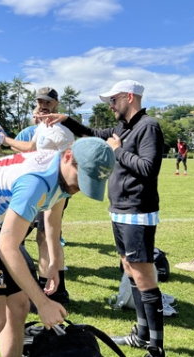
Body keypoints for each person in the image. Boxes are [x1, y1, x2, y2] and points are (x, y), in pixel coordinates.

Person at [0, 138, 115, 357]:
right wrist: (43, 303)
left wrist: (54, 264)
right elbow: (7, 247)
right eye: (81, 179)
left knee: (19, 306)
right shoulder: (36, 182)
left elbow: (52, 220)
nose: (79, 188)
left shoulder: (63, 175)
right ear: (68, 156)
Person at [41, 79, 166, 357]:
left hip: (138, 211)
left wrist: (116, 150)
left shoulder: (148, 126)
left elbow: (148, 168)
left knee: (144, 276)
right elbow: (94, 134)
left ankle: (156, 348)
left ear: (129, 97)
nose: (110, 106)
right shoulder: (124, 127)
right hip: (120, 209)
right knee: (129, 269)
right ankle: (142, 333)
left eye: (114, 100)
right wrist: (68, 121)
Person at [3, 87, 75, 307]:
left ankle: (56, 291)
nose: (43, 105)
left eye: (48, 102)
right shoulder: (42, 127)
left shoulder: (61, 131)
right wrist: (6, 140)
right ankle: (44, 287)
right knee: (35, 237)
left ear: (56, 104)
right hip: (38, 187)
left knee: (46, 236)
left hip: (54, 188)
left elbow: (68, 164)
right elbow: (32, 147)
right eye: (40, 102)